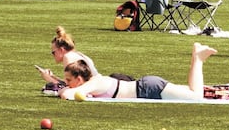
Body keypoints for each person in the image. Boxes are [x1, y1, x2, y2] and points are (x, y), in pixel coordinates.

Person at [58, 42, 217, 101]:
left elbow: (67, 95)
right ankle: (197, 56)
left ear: (79, 80)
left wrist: (65, 89)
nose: (66, 83)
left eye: (68, 80)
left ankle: (198, 58)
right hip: (147, 86)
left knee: (196, 97)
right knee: (190, 91)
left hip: (148, 89)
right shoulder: (93, 82)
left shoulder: (93, 83)